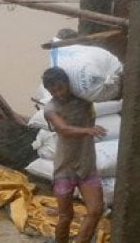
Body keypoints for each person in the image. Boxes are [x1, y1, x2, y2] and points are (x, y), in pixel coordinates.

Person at [42, 66, 106, 243]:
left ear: (68, 83)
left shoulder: (85, 99)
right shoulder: (50, 108)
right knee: (65, 216)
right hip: (65, 168)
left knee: (96, 210)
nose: (58, 93)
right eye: (52, 91)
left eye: (60, 87)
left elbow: (107, 90)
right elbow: (63, 129)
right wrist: (88, 130)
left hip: (87, 167)